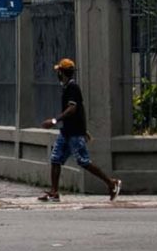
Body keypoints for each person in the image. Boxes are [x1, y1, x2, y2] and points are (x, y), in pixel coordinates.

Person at [44, 58, 121, 202]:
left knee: (83, 161)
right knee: (55, 159)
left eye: (59, 71)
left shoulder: (73, 88)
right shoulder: (67, 87)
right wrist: (83, 128)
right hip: (67, 132)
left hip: (74, 133)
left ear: (62, 73)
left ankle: (111, 183)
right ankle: (54, 192)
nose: (57, 74)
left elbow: (73, 109)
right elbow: (81, 110)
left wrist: (54, 121)